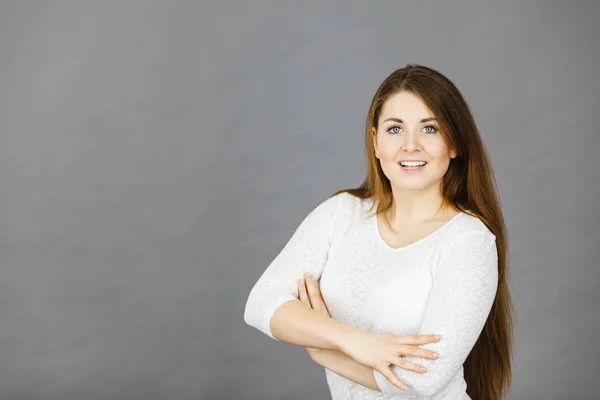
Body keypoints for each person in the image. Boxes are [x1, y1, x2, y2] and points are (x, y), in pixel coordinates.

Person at [244, 64, 513, 400]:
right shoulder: (342, 214)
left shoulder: (468, 241)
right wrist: (351, 340)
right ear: (375, 141)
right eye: (395, 129)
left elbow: (424, 379)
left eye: (430, 129)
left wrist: (324, 351)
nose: (411, 145)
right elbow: (261, 304)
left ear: (455, 143)